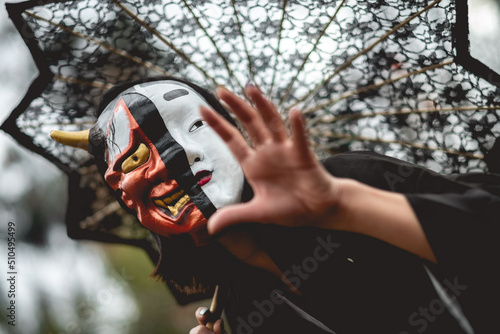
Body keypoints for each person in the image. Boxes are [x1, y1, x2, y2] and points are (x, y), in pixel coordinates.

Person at [51, 76, 500, 334]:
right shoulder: (242, 313)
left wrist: (348, 209)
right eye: (135, 158)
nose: (181, 154)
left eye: (196, 126)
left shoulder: (348, 180)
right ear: (126, 196)